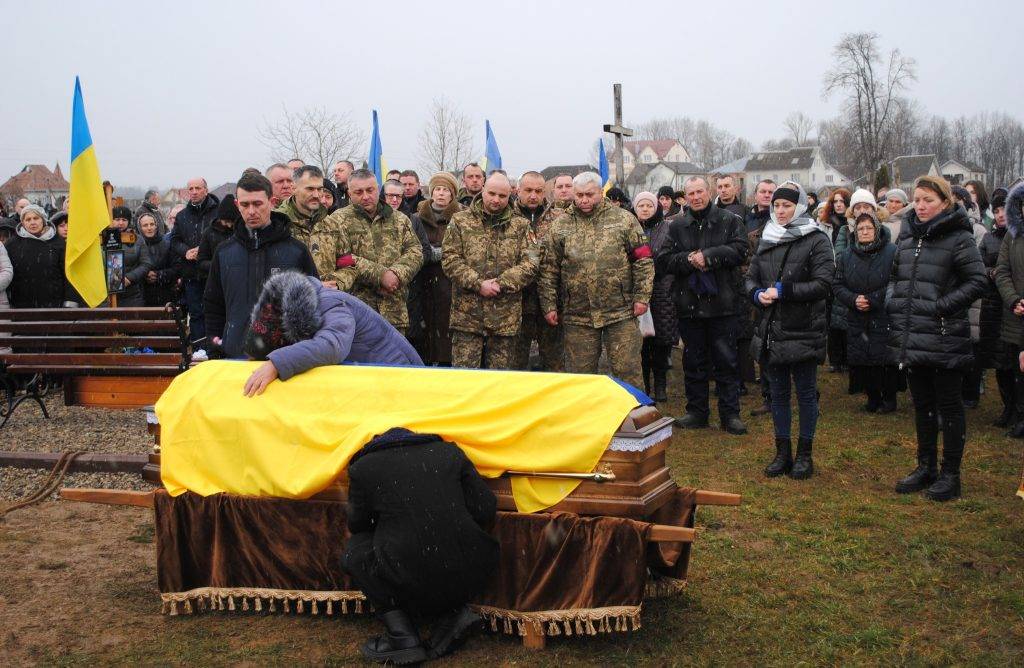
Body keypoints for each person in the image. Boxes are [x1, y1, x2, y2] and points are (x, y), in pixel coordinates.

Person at [341, 427, 498, 663]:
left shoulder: (363, 468)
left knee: (356, 551)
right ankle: (452, 614)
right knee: (429, 549)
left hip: (409, 569)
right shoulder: (450, 453)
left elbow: (358, 524)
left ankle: (402, 636)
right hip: (474, 563)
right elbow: (485, 508)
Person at [888, 175, 987, 502]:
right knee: (923, 406)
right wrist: (895, 301)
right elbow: (895, 277)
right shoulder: (907, 237)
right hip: (913, 336)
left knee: (949, 406)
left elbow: (977, 281)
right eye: (917, 199)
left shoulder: (959, 238)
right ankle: (925, 465)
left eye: (928, 200)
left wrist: (943, 306)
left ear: (945, 202)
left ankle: (950, 474)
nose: (921, 205)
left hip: (945, 336)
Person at [746, 181, 834, 480]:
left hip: (805, 327)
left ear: (799, 207)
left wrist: (784, 291)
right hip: (772, 328)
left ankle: (804, 454)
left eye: (786, 206)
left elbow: (823, 284)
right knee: (779, 394)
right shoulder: (767, 238)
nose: (781, 211)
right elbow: (751, 278)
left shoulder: (816, 239)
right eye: (777, 206)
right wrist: (757, 294)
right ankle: (782, 452)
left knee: (806, 394)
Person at [539, 171, 653, 389]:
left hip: (620, 311)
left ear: (601, 192)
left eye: (589, 194)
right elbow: (549, 269)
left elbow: (643, 260)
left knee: (627, 370)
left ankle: (635, 417)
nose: (583, 200)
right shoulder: (561, 225)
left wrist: (642, 296)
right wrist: (549, 305)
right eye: (579, 195)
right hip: (578, 315)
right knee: (580, 376)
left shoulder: (624, 219)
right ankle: (584, 420)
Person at [657, 176, 748, 434]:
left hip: (723, 304)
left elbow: (741, 251)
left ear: (708, 192)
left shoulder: (729, 220)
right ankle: (697, 412)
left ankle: (730, 415)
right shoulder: (676, 226)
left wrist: (708, 257)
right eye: (691, 193)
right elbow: (664, 260)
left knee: (727, 362)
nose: (696, 197)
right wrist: (689, 259)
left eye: (700, 192)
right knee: (693, 362)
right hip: (690, 305)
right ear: (684, 197)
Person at [240, 271, 422, 396]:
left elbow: (332, 346)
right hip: (378, 383)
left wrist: (276, 364)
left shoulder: (332, 304)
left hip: (405, 383)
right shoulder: (304, 308)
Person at [203, 173, 318, 359]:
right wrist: (216, 347)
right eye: (245, 205)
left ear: (271, 202)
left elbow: (313, 307)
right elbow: (213, 305)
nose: (251, 211)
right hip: (234, 357)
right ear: (236, 205)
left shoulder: (296, 252)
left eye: (257, 204)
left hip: (283, 360)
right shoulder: (224, 252)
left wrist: (302, 353)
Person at [442, 173, 537, 369]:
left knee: (499, 382)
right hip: (467, 317)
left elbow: (531, 263)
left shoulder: (521, 226)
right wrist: (478, 284)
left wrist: (500, 283)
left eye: (502, 196)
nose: (496, 200)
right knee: (465, 379)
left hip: (505, 318)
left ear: (510, 195)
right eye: (491, 193)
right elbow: (450, 259)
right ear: (483, 190)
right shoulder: (460, 221)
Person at [324, 169, 424, 332]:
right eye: (358, 192)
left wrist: (395, 275)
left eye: (370, 190)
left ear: (378, 189)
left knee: (395, 357)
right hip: (356, 314)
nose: (365, 196)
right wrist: (380, 276)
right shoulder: (336, 221)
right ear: (349, 193)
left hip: (394, 312)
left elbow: (415, 251)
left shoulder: (399, 219)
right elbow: (342, 259)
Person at [833, 211, 898, 412]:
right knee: (862, 357)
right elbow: (837, 284)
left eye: (869, 227)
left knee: (885, 357)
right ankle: (871, 397)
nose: (865, 231)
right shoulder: (846, 255)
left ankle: (888, 398)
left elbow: (894, 282)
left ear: (877, 229)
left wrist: (873, 299)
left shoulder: (892, 251)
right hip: (857, 314)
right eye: (860, 228)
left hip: (883, 313)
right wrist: (853, 299)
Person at [513, 171, 564, 371]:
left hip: (552, 302)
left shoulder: (559, 218)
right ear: (518, 190)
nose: (533, 195)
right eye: (528, 190)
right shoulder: (508, 218)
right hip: (517, 303)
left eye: (538, 191)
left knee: (554, 362)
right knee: (515, 363)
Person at [409, 172, 462, 366]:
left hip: (449, 284)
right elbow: (412, 248)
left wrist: (437, 253)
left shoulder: (462, 218)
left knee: (446, 332)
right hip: (422, 283)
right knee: (423, 331)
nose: (441, 194)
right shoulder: (416, 218)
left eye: (446, 190)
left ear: (452, 194)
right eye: (437, 189)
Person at [168, 178, 219, 349]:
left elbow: (226, 238)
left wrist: (204, 250)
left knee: (216, 313)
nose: (194, 191)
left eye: (198, 188)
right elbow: (174, 240)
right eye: (191, 188)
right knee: (196, 314)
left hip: (213, 273)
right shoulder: (182, 216)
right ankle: (199, 350)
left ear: (206, 189)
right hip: (191, 274)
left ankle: (217, 349)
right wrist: (186, 251)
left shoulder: (217, 212)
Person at [634, 191, 675, 402]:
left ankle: (660, 385)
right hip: (637, 292)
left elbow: (670, 258)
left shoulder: (667, 228)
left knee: (661, 341)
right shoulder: (630, 228)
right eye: (641, 206)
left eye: (649, 206)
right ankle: (644, 386)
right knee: (640, 343)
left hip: (661, 291)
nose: (645, 209)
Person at [980, 191, 1014, 427]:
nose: (1001, 215)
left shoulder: (1016, 238)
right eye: (997, 210)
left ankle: (1018, 410)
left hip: (1013, 307)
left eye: (1004, 210)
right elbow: (977, 266)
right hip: (993, 306)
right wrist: (990, 273)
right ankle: (1007, 407)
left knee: (1015, 361)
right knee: (999, 362)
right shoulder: (989, 239)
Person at [744, 179, 776, 414]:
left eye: (770, 192)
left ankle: (781, 391)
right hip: (754, 286)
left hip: (777, 286)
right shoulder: (747, 220)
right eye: (763, 192)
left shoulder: (781, 219)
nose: (766, 195)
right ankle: (768, 393)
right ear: (755, 195)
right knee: (760, 340)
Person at [995, 183, 1024, 437]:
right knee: (1018, 367)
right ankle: (1019, 413)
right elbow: (1002, 271)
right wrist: (1013, 300)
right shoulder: (1012, 236)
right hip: (1017, 313)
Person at [5, 205, 76, 308]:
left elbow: (67, 274)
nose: (32, 222)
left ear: (43, 220)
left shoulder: (58, 243)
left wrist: (69, 300)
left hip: (54, 304)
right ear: (23, 223)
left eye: (36, 218)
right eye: (28, 219)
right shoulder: (12, 244)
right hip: (22, 305)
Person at [276, 165, 328, 252]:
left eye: (320, 189)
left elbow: (343, 260)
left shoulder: (329, 222)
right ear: (293, 189)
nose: (316, 195)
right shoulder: (278, 223)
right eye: (310, 189)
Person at [108, 206, 152, 307]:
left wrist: (129, 278)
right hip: (105, 296)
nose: (120, 223)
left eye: (124, 220)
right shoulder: (103, 239)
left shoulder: (137, 239)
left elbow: (146, 264)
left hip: (131, 294)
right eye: (117, 219)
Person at [137, 212, 179, 307]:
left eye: (152, 224)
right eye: (145, 225)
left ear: (156, 226)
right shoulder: (136, 246)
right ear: (140, 228)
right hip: (142, 296)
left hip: (165, 295)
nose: (149, 228)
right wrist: (144, 275)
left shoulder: (167, 244)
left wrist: (159, 275)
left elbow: (177, 268)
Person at [196, 195, 241, 283]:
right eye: (226, 222)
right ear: (220, 219)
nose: (229, 225)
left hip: (238, 280)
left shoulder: (241, 231)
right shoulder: (209, 233)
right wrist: (220, 264)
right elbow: (201, 262)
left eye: (232, 221)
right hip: (216, 281)